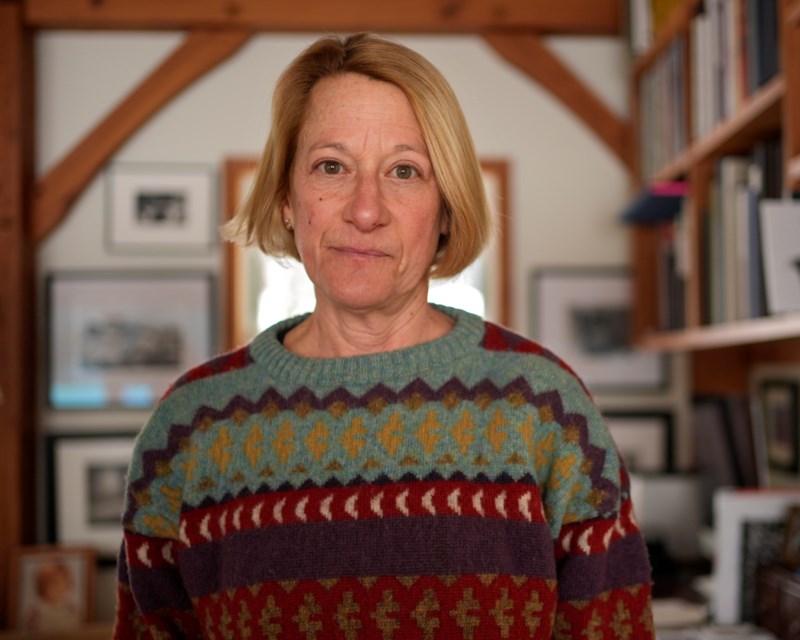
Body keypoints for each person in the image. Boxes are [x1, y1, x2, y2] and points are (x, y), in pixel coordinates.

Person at [114, 33, 654, 639]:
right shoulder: (190, 423)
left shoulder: (546, 408)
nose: (365, 210)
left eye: (404, 171)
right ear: (287, 199)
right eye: (331, 166)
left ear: (446, 207)